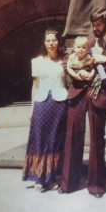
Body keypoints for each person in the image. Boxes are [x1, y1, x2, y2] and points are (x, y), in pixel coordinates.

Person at [58, 8, 106, 198]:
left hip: (100, 95)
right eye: (93, 24)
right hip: (78, 92)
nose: (95, 28)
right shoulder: (87, 40)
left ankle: (96, 185)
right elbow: (66, 60)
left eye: (98, 25)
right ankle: (68, 183)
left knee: (98, 140)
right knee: (72, 136)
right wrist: (76, 72)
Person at [22, 28, 68, 191]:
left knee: (56, 140)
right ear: (44, 42)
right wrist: (32, 109)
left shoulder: (65, 60)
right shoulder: (37, 61)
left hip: (60, 104)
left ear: (58, 42)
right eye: (48, 40)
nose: (51, 43)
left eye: (54, 40)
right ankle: (40, 178)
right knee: (40, 139)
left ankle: (53, 177)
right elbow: (35, 86)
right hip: (42, 103)